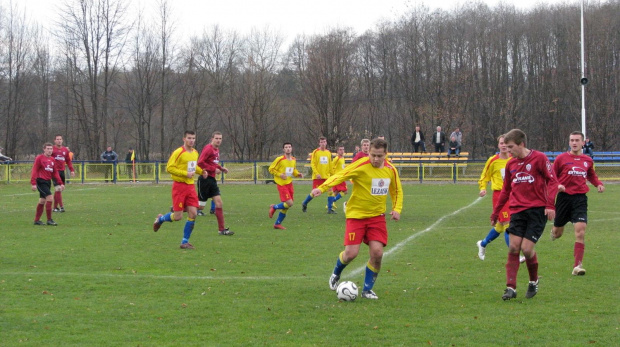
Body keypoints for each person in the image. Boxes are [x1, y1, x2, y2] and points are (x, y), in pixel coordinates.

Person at [312, 138, 403, 300]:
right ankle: (336, 273)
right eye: (373, 155)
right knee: (351, 254)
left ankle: (367, 289)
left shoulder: (391, 170)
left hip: (377, 217)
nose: (375, 159)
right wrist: (322, 187)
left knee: (377, 253)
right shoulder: (361, 165)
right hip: (356, 216)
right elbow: (341, 175)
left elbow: (396, 191)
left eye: (379, 156)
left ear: (386, 155)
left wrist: (396, 208)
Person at [491, 129, 562, 301]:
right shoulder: (511, 164)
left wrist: (550, 205)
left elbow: (553, 181)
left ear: (521, 144)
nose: (508, 151)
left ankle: (533, 281)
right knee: (514, 247)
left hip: (536, 211)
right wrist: (496, 211)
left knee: (527, 249)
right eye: (506, 147)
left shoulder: (539, 158)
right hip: (517, 210)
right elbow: (506, 190)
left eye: (510, 147)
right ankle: (511, 288)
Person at [551, 131, 605, 276]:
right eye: (572, 140)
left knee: (580, 231)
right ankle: (554, 232)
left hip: (580, 199)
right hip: (563, 198)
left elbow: (591, 175)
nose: (574, 143)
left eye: (577, 140)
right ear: (569, 142)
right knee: (558, 233)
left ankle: (578, 265)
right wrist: (557, 185)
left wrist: (598, 184)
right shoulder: (561, 159)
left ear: (583, 143)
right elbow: (552, 176)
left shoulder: (587, 160)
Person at [476, 135, 525, 263]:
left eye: (506, 143)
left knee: (499, 226)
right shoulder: (493, 161)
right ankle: (515, 254)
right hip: (500, 196)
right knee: (508, 224)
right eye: (501, 143)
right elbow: (484, 176)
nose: (504, 145)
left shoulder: (514, 159)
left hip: (514, 195)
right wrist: (483, 188)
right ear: (498, 145)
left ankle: (483, 243)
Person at [153, 131, 205, 249]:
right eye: (189, 138)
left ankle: (184, 241)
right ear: (184, 139)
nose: (191, 140)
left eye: (193, 138)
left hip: (190, 186)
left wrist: (202, 171)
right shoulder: (178, 152)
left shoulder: (195, 152)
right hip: (179, 186)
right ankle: (160, 219)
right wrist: (185, 173)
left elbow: (193, 167)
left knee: (193, 213)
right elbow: (169, 168)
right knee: (178, 217)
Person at [196, 131, 234, 235]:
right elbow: (200, 162)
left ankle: (221, 230)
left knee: (219, 203)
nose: (218, 140)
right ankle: (178, 208)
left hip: (212, 180)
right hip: (205, 179)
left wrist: (221, 168)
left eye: (220, 138)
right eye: (216, 138)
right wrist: (213, 169)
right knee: (200, 207)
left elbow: (213, 163)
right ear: (212, 138)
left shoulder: (216, 150)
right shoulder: (208, 148)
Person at [268, 142, 304, 229]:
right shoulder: (279, 159)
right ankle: (275, 207)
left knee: (287, 205)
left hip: (289, 184)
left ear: (291, 149)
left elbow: (293, 170)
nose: (288, 148)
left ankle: (277, 224)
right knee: (289, 203)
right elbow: (271, 169)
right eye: (286, 147)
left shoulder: (293, 159)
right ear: (283, 149)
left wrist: (298, 174)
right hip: (282, 184)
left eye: (289, 147)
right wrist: (280, 175)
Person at [31, 143, 64, 226]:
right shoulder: (39, 158)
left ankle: (36, 220)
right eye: (48, 149)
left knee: (42, 200)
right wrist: (33, 183)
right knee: (50, 198)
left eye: (51, 149)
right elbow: (34, 170)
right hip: (41, 181)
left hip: (48, 182)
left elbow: (55, 172)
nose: (50, 150)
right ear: (44, 149)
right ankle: (49, 220)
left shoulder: (53, 159)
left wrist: (60, 183)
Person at [301, 136, 332, 212]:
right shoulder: (315, 152)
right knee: (315, 193)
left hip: (326, 176)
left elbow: (330, 164)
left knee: (330, 191)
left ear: (326, 143)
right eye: (321, 142)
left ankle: (330, 209)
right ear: (319, 143)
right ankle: (304, 203)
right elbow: (313, 164)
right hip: (318, 177)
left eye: (324, 142)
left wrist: (332, 174)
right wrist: (317, 173)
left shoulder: (328, 153)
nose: (323, 144)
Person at [52, 135, 75, 212]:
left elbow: (68, 161)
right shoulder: (52, 149)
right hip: (54, 172)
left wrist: (72, 170)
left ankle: (55, 207)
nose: (59, 140)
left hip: (62, 171)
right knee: (58, 188)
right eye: (57, 139)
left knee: (59, 190)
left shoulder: (65, 150)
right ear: (55, 141)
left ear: (62, 140)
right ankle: (61, 207)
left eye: (60, 139)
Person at [327, 145, 347, 213]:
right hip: (338, 178)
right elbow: (331, 167)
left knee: (335, 192)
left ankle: (329, 205)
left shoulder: (342, 158)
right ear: (337, 151)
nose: (342, 151)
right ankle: (333, 201)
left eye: (343, 149)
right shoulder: (337, 158)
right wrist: (332, 175)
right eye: (340, 150)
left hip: (341, 177)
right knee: (345, 191)